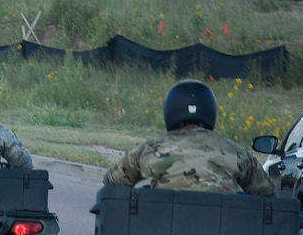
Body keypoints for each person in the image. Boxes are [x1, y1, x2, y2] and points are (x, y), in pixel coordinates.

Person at [105, 79, 276, 195]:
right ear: (210, 111)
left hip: (161, 234)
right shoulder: (236, 152)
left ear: (170, 110)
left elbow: (113, 181)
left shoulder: (150, 149)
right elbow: (267, 192)